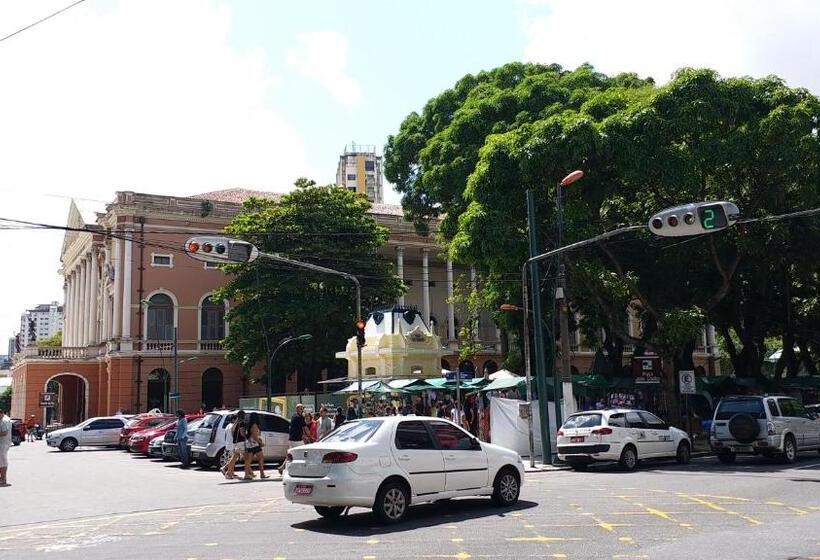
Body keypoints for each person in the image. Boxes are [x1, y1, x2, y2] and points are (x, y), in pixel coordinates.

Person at [279, 404, 308, 475]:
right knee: (303, 453)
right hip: (297, 440)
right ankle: (302, 468)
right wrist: (311, 436)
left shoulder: (294, 416)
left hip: (292, 439)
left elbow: (299, 428)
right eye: (301, 409)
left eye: (302, 409)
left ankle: (282, 467)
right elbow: (305, 428)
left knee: (290, 454)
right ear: (297, 409)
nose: (302, 410)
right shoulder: (300, 417)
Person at [222, 410, 246, 480]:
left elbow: (232, 431)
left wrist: (234, 439)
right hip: (240, 442)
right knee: (245, 458)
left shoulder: (235, 423)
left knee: (235, 457)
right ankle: (227, 471)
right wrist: (246, 437)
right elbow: (242, 433)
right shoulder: (241, 423)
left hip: (235, 442)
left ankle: (229, 472)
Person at [245, 413, 267, 479]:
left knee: (248, 460)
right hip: (254, 444)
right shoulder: (254, 425)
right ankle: (262, 474)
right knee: (260, 458)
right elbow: (254, 436)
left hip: (249, 443)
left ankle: (247, 474)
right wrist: (260, 442)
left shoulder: (248, 424)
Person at [220, 414, 236, 479]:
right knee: (233, 459)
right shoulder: (233, 426)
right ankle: (225, 469)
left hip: (228, 444)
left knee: (231, 458)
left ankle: (232, 472)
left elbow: (226, 436)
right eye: (236, 419)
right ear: (233, 419)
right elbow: (233, 436)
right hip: (232, 445)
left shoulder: (227, 426)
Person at [0, 407, 12, 486]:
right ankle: (2, 478)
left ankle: (3, 479)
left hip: (3, 444)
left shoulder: (4, 421)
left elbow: (4, 433)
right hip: (4, 443)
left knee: (2, 462)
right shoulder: (5, 419)